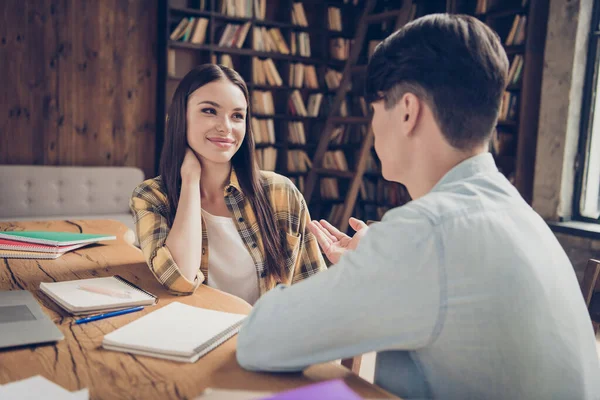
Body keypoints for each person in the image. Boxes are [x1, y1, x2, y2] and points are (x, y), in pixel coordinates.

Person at [236, 14, 600, 399]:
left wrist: (374, 266)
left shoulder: (426, 230)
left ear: (407, 111)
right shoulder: (519, 216)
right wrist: (371, 271)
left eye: (375, 111)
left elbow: (259, 341)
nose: (373, 126)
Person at [130, 64, 326, 303]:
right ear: (180, 117)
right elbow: (178, 278)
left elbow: (314, 290)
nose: (226, 127)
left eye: (237, 116)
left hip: (271, 337)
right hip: (196, 335)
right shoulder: (151, 196)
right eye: (210, 111)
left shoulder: (281, 192)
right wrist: (191, 179)